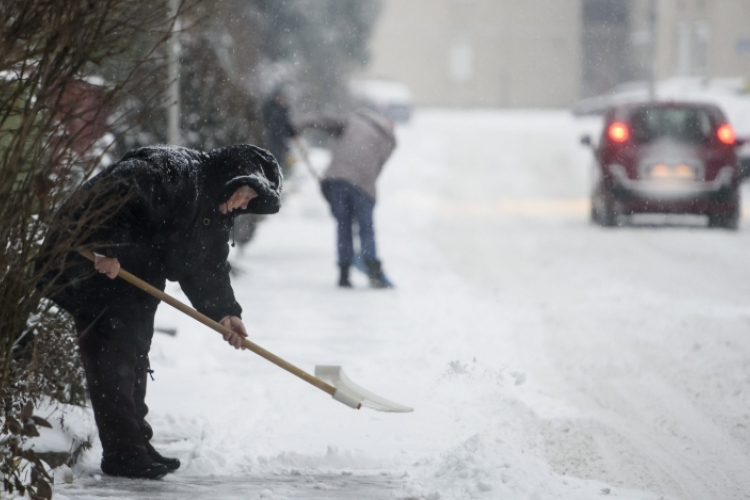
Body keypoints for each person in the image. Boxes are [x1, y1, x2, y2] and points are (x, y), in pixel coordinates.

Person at [37, 144, 282, 479]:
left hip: (136, 270)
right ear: (230, 181)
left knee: (135, 349)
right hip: (91, 263)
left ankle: (136, 443)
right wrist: (103, 247)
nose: (245, 205)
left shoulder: (214, 210)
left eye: (251, 201)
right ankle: (124, 453)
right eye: (246, 195)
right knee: (113, 354)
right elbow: (110, 196)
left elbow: (206, 266)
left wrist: (225, 313)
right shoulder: (172, 171)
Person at [296, 109, 396, 288]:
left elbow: (324, 120)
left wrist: (299, 124)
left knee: (344, 226)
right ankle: (372, 268)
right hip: (363, 185)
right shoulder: (388, 140)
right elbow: (376, 168)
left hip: (338, 179)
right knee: (366, 228)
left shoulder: (354, 120)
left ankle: (344, 274)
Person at [261, 86, 297, 177]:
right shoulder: (272, 109)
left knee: (284, 159)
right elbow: (271, 124)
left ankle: (284, 177)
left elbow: (286, 124)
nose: (283, 100)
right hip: (273, 141)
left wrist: (290, 131)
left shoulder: (284, 110)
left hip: (282, 142)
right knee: (275, 160)